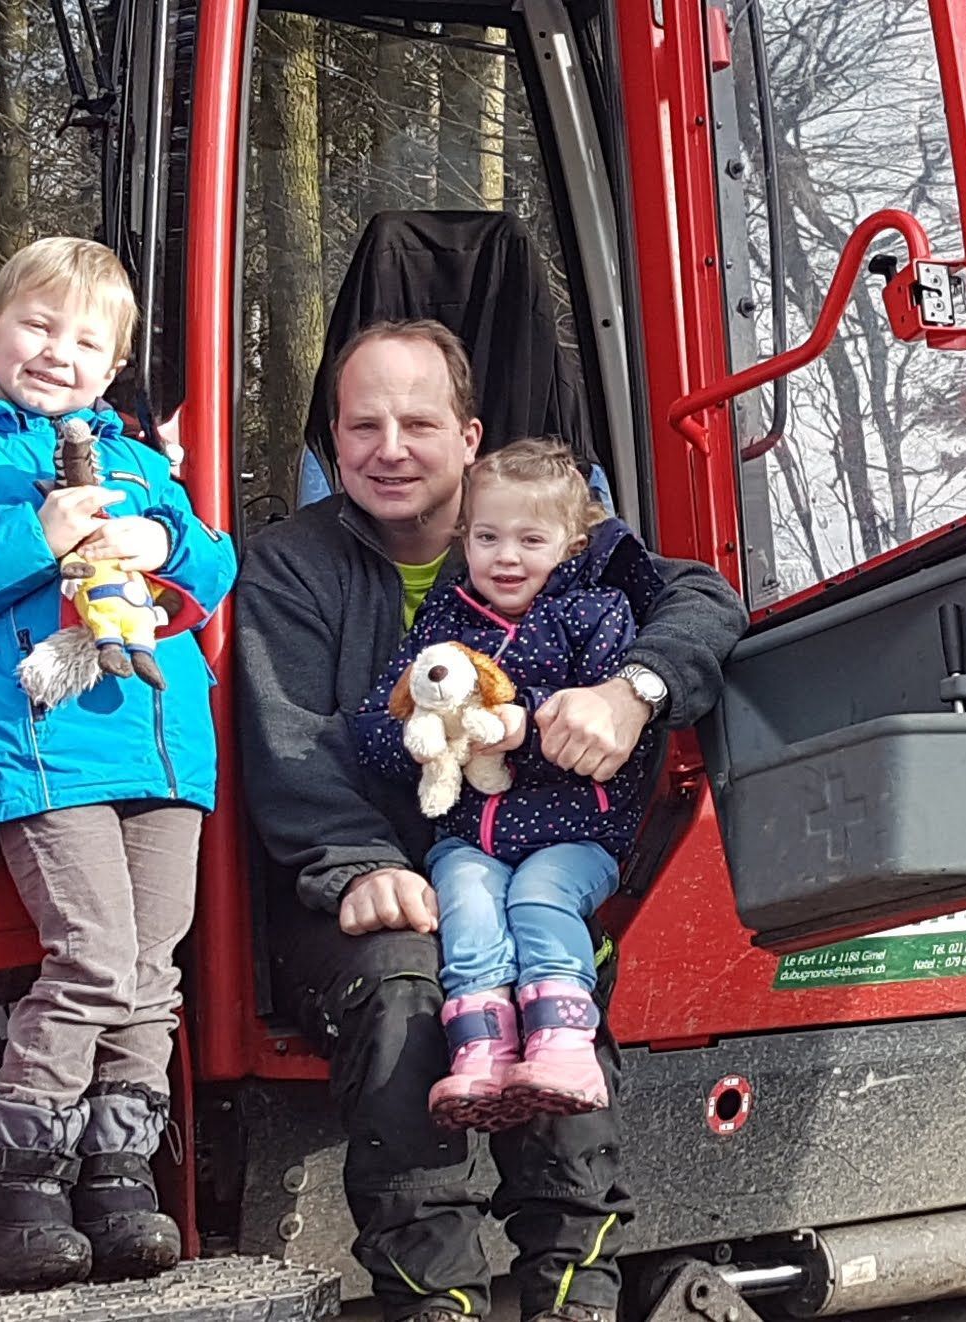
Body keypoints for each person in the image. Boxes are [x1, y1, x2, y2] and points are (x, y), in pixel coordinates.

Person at [236, 319, 747, 1322]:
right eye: (362, 424)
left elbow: (703, 599)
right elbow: (290, 743)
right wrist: (358, 868)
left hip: (523, 858)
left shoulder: (555, 538)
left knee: (544, 961)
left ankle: (572, 1291)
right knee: (406, 976)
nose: (390, 447)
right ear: (330, 443)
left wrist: (631, 690)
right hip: (365, 874)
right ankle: (436, 1298)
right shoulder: (290, 567)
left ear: (468, 437)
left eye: (417, 422)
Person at [0, 237, 236, 1289]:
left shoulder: (139, 463)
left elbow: (215, 558)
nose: (57, 352)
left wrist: (168, 547)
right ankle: (21, 1191)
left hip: (159, 747)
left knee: (152, 976)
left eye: (86, 340)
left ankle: (119, 1182)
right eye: (37, 324)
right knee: (93, 959)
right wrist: (36, 532)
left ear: (112, 367)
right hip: (43, 747)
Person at [354, 440, 654, 1131]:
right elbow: (380, 716)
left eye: (530, 539)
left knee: (538, 898)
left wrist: (523, 727)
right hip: (470, 832)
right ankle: (481, 1052)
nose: (506, 558)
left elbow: (615, 740)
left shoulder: (596, 614)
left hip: (575, 830)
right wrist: (422, 736)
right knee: (463, 899)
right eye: (488, 537)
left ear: (571, 544)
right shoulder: (445, 624)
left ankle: (563, 1045)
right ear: (465, 537)